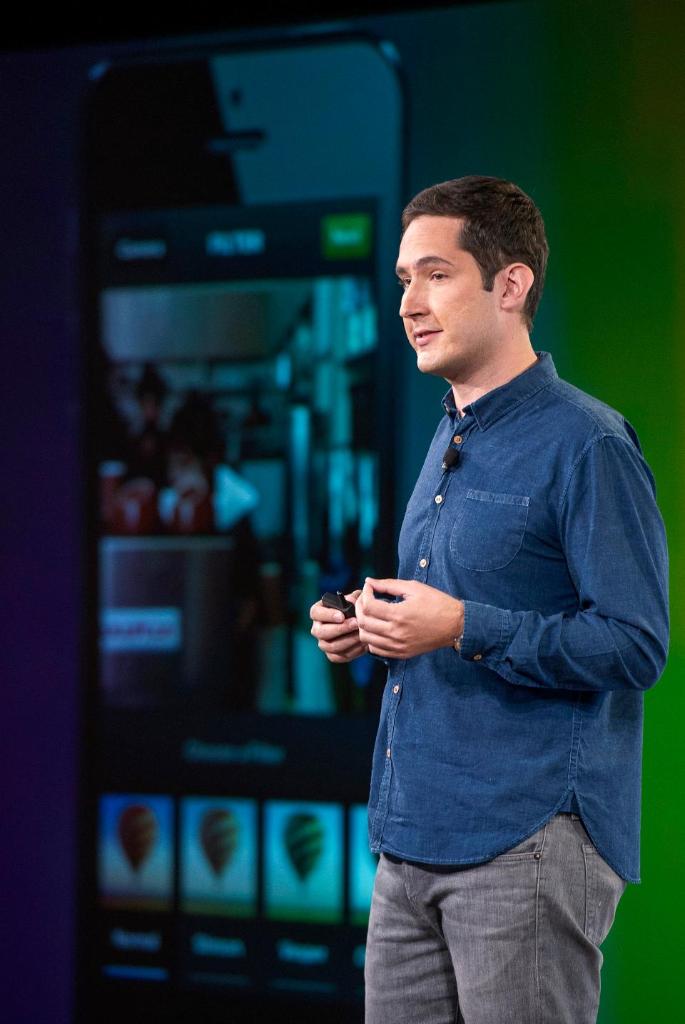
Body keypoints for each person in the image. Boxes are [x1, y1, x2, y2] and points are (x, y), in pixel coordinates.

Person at [309, 176, 669, 1024]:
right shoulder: (448, 429)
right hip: (407, 842)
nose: (409, 304)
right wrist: (370, 620)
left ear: (510, 286)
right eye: (404, 280)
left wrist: (461, 625)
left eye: (435, 276)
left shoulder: (587, 442)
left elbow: (633, 644)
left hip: (524, 840)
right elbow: (463, 596)